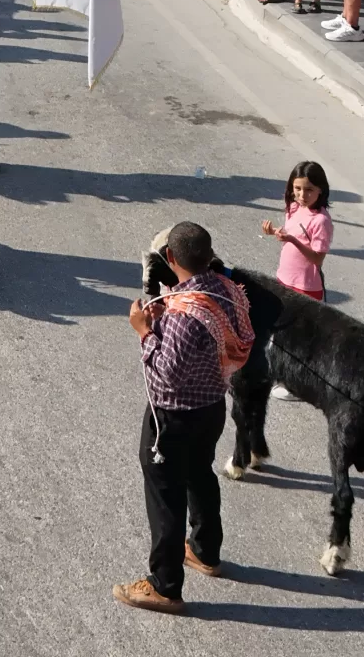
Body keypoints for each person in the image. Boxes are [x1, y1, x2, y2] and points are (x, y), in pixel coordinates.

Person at [114, 222, 251, 615]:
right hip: (211, 408)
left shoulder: (182, 315)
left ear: (171, 259)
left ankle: (164, 584)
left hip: (172, 419)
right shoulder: (224, 292)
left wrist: (143, 332)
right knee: (199, 473)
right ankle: (206, 550)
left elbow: (164, 373)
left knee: (165, 495)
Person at [262, 162, 334, 301]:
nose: (302, 195)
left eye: (309, 190)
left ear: (320, 189)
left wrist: (292, 240)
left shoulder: (321, 220)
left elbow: (317, 258)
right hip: (284, 277)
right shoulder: (294, 207)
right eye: (297, 188)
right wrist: (274, 231)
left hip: (305, 288)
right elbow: (293, 233)